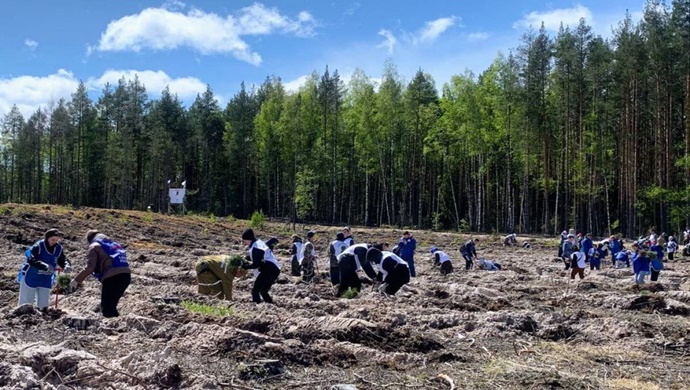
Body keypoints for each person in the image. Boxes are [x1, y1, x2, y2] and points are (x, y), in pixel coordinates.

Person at [70, 230, 131, 318]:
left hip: (112, 278)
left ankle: (111, 329)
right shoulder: (114, 244)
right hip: (126, 276)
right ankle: (118, 326)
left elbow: (90, 268)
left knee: (107, 308)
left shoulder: (94, 246)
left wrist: (76, 281)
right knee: (112, 306)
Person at [17, 229, 72, 310]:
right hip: (31, 277)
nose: (55, 242)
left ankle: (41, 320)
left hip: (46, 279)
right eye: (53, 239)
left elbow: (62, 260)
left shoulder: (58, 248)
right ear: (47, 238)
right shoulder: (38, 246)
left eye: (57, 240)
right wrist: (45, 266)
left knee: (44, 305)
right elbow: (31, 260)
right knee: (26, 304)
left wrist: (66, 266)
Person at [239, 229, 281, 304]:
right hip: (274, 268)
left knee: (255, 290)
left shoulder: (255, 248)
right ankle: (269, 305)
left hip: (269, 270)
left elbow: (256, 264)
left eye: (244, 241)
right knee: (263, 291)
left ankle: (257, 306)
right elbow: (260, 256)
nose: (244, 243)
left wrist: (245, 266)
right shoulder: (258, 243)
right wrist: (247, 258)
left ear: (249, 239)